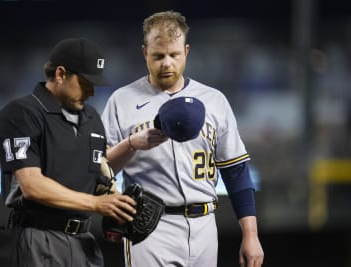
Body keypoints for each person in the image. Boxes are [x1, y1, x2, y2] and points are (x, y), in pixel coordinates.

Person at [101, 11, 264, 267]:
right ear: (145, 53)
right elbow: (101, 168)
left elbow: (236, 171)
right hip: (151, 226)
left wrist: (251, 235)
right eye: (158, 55)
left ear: (186, 51)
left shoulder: (214, 100)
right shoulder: (121, 101)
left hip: (205, 224)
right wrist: (131, 143)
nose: (167, 63)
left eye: (174, 55)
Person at [0, 37, 137, 267]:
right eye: (85, 83)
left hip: (82, 242)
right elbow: (32, 186)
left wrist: (119, 204)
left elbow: (98, 180)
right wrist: (96, 204)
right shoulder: (22, 113)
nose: (91, 92)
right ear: (60, 74)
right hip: (35, 238)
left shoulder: (92, 120)